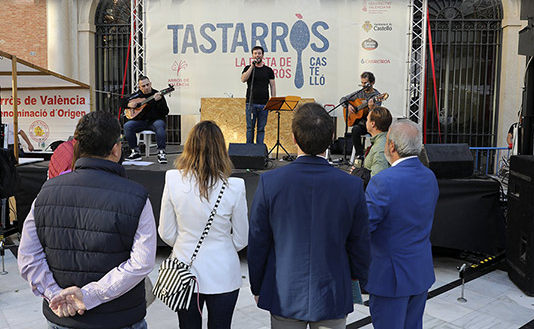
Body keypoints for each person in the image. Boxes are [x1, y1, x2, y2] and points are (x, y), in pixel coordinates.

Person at [18, 110, 156, 329]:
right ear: (116, 149)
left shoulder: (45, 193)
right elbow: (142, 262)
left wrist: (55, 294)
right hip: (119, 319)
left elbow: (28, 257)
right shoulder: (137, 197)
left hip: (63, 317)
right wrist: (89, 296)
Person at [248, 102, 371, 326]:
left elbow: (258, 242)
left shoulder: (270, 183)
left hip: (284, 291)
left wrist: (257, 285)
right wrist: (359, 282)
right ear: (332, 136)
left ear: (294, 138)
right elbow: (360, 243)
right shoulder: (352, 186)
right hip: (332, 293)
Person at [158, 120, 249, 329]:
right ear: (221, 149)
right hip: (224, 271)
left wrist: (183, 244)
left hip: (184, 270)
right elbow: (242, 238)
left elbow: (166, 231)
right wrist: (223, 247)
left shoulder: (172, 179)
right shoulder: (235, 186)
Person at [365, 120, 439, 329]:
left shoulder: (383, 181)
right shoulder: (429, 176)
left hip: (390, 277)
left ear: (391, 146)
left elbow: (363, 227)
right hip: (420, 271)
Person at [122, 75, 170, 164]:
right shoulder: (137, 95)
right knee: (127, 126)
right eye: (143, 86)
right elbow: (121, 101)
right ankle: (135, 152)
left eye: (147, 85)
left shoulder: (157, 94)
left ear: (150, 84)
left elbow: (165, 112)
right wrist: (129, 105)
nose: (146, 87)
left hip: (154, 122)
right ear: (139, 87)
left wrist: (159, 101)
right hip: (140, 122)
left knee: (160, 124)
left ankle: (161, 152)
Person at [343, 71, 384, 162]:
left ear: (372, 82)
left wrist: (372, 108)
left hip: (372, 123)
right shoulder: (359, 93)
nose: (363, 85)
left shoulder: (377, 96)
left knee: (359, 130)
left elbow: (376, 114)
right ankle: (359, 155)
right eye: (362, 83)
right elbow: (343, 99)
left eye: (366, 83)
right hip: (361, 123)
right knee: (355, 130)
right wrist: (348, 106)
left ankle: (372, 157)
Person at [241, 45, 276, 144]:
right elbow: (243, 79)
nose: (257, 55)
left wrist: (273, 101)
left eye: (259, 53)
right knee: (250, 128)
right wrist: (252, 66)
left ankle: (259, 152)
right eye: (255, 53)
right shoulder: (248, 68)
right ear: (252, 55)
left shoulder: (268, 70)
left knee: (261, 129)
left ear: (263, 55)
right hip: (251, 104)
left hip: (264, 104)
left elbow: (272, 86)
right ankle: (249, 151)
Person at [362, 106, 392, 181]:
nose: (366, 122)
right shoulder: (382, 141)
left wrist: (360, 174)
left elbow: (378, 181)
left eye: (367, 120)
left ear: (372, 124)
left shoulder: (379, 149)